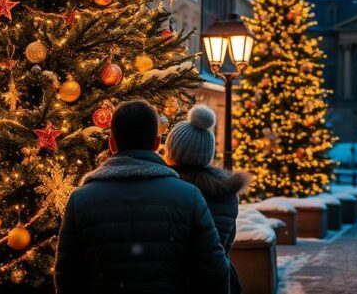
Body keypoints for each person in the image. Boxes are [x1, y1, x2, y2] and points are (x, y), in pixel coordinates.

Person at [55, 100, 230, 293]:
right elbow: (214, 271)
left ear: (112, 143)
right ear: (156, 143)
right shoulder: (189, 196)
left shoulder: (80, 199)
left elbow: (67, 277)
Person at [165, 105, 250, 293]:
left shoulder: (168, 188)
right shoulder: (227, 191)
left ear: (172, 151)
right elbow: (226, 243)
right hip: (220, 280)